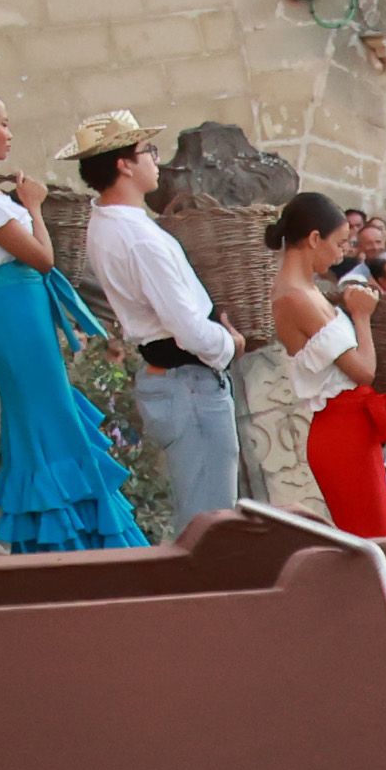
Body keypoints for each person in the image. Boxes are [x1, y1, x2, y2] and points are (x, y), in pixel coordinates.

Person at [0, 84, 146, 553]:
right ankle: (75, 542)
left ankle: (65, 536)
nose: (9, 133)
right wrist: (33, 205)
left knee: (44, 415)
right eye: (2, 122)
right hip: (14, 308)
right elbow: (43, 258)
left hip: (17, 307)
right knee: (45, 416)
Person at [70, 111, 246, 539]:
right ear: (123, 164)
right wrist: (229, 343)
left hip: (173, 375)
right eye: (147, 151)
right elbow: (186, 327)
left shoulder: (109, 224)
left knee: (203, 502)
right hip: (187, 376)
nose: (156, 160)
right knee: (210, 511)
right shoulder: (137, 237)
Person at [260, 189, 386, 542]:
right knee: (375, 538)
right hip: (341, 430)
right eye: (339, 243)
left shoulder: (308, 289)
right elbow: (363, 370)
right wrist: (362, 316)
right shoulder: (294, 296)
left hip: (352, 427)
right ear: (313, 239)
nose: (342, 252)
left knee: (380, 535)